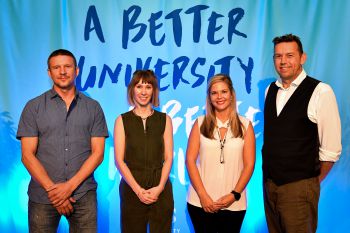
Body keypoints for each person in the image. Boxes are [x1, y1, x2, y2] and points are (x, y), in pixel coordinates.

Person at [16, 49, 108, 233]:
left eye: (67, 66)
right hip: (43, 195)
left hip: (83, 194)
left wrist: (69, 187)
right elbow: (27, 155)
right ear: (49, 73)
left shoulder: (93, 107)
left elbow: (98, 154)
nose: (63, 71)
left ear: (77, 70)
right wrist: (55, 192)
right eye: (56, 67)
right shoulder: (33, 107)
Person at [262, 34, 342, 233]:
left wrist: (308, 183)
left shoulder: (320, 91)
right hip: (270, 185)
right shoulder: (270, 90)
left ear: (302, 58)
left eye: (289, 55)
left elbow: (331, 150)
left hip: (299, 188)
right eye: (278, 56)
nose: (283, 61)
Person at [186, 74, 256, 233]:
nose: (219, 97)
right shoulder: (199, 123)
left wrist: (234, 195)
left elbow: (250, 164)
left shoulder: (245, 125)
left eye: (224, 92)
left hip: (234, 204)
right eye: (214, 93)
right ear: (209, 97)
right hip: (200, 202)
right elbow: (190, 161)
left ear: (231, 94)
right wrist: (203, 196)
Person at [114, 70, 174, 233]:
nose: (143, 91)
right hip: (132, 187)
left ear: (154, 90)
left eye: (148, 87)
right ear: (132, 89)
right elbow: (119, 160)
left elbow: (169, 157)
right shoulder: (122, 120)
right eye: (139, 86)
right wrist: (138, 190)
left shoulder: (165, 119)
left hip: (160, 188)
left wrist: (160, 187)